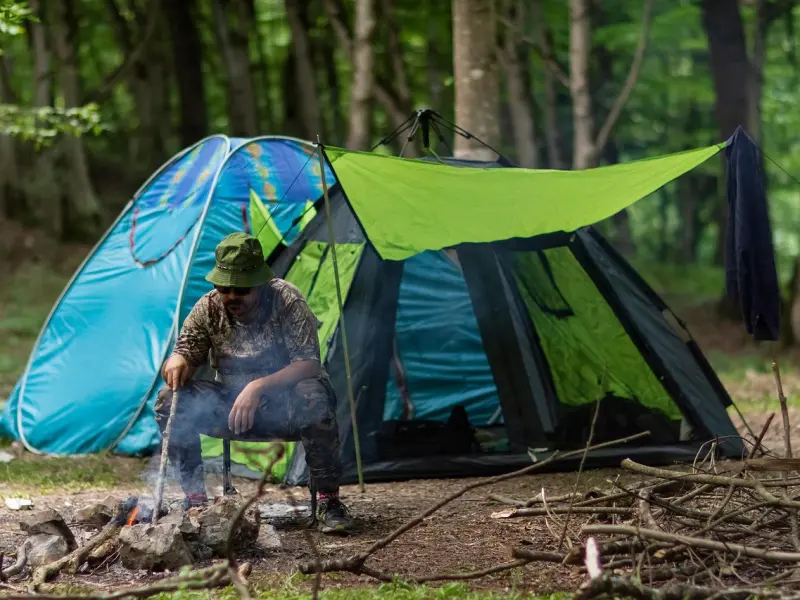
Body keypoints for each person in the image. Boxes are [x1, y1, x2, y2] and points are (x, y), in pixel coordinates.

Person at [154, 231, 353, 533]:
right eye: (225, 289)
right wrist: (177, 361)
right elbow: (185, 353)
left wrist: (257, 386)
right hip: (230, 407)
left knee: (313, 398)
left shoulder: (287, 300)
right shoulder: (208, 307)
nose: (232, 297)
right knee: (170, 398)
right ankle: (195, 501)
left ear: (259, 284)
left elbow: (309, 363)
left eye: (242, 290)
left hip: (286, 406)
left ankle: (329, 501)